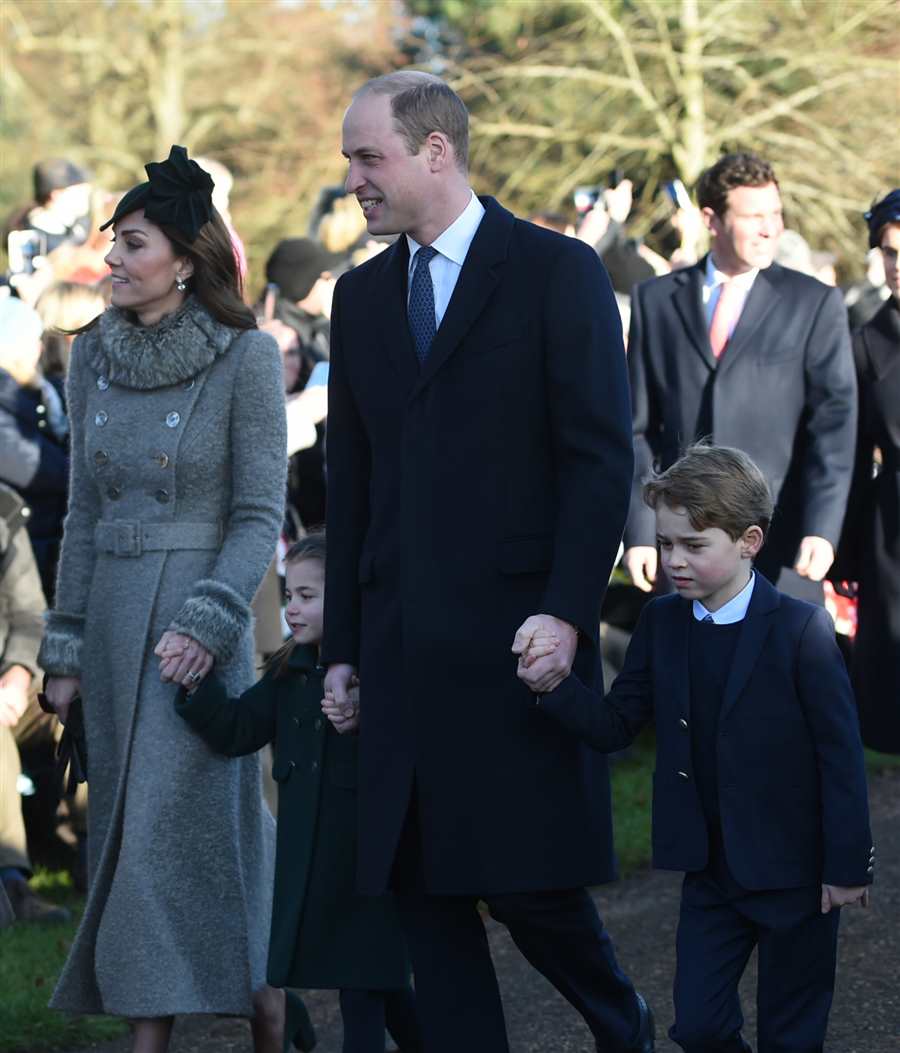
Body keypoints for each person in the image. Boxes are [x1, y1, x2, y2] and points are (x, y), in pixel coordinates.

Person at [325, 71, 652, 1053]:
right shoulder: (360, 295)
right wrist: (343, 646)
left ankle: (619, 1021)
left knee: (525, 888)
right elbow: (352, 488)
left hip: (519, 644)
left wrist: (565, 607)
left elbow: (598, 458)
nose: (353, 181)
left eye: (367, 157)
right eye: (349, 161)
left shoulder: (557, 272)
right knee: (424, 898)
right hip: (401, 651)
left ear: (436, 151)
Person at [38, 146, 287, 1053]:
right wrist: (61, 654)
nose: (109, 262)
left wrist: (210, 623)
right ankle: (229, 1000)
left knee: (186, 829)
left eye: (130, 245)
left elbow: (261, 512)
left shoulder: (246, 358)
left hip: (199, 622)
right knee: (130, 828)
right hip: (110, 624)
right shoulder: (91, 358)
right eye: (111, 245)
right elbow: (81, 513)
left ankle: (243, 1000)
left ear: (184, 259)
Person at [536, 444, 874, 1053]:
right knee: (698, 1025)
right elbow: (616, 725)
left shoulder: (800, 629)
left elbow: (840, 756)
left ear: (749, 541)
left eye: (694, 546)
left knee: (791, 1032)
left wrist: (846, 866)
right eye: (666, 544)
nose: (674, 561)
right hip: (711, 874)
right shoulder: (662, 623)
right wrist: (557, 688)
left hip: (795, 874)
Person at [177, 533, 423, 1053]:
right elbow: (238, 730)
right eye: (289, 594)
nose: (292, 608)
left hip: (373, 869)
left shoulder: (381, 672)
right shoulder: (291, 674)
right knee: (381, 985)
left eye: (307, 596)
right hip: (318, 872)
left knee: (364, 986)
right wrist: (198, 686)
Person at [623, 152, 857, 604]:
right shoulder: (655, 301)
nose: (771, 228)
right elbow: (637, 429)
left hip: (782, 545)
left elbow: (833, 429)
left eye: (775, 214)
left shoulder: (813, 303)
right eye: (754, 217)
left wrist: (823, 530)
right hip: (684, 547)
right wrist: (641, 530)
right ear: (711, 220)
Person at [834, 189, 900, 753]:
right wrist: (847, 556)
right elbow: (851, 461)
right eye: (889, 251)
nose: (898, 264)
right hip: (894, 541)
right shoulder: (866, 343)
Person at [0, 481, 70, 924]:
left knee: (76, 710)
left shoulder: (4, 510)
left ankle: (96, 859)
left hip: (9, 680)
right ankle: (12, 884)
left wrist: (18, 672)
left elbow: (29, 614)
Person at [0, 295, 69, 603]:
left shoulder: (38, 394)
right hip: (19, 563)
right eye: (33, 341)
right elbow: (39, 469)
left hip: (37, 550)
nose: (40, 348)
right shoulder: (12, 400)